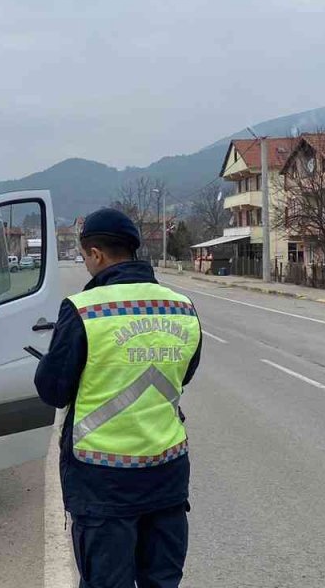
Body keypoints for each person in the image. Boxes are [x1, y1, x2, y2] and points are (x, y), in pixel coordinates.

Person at [34, 207, 202, 588]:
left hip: (103, 483)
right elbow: (185, 373)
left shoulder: (83, 310)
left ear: (96, 254)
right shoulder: (182, 307)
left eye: (85, 256)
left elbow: (52, 390)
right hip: (167, 475)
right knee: (162, 581)